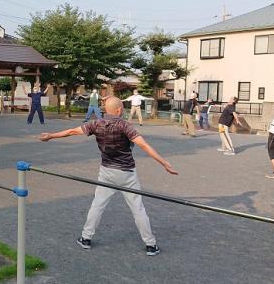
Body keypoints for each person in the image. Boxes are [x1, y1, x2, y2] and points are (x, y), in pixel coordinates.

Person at [40, 96, 178, 256]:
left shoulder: (96, 124)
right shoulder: (124, 125)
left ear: (106, 110)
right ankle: (150, 245)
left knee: (98, 205)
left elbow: (72, 131)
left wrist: (50, 136)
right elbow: (143, 145)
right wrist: (164, 163)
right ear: (119, 110)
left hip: (106, 172)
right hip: (127, 173)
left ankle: (86, 238)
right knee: (138, 209)